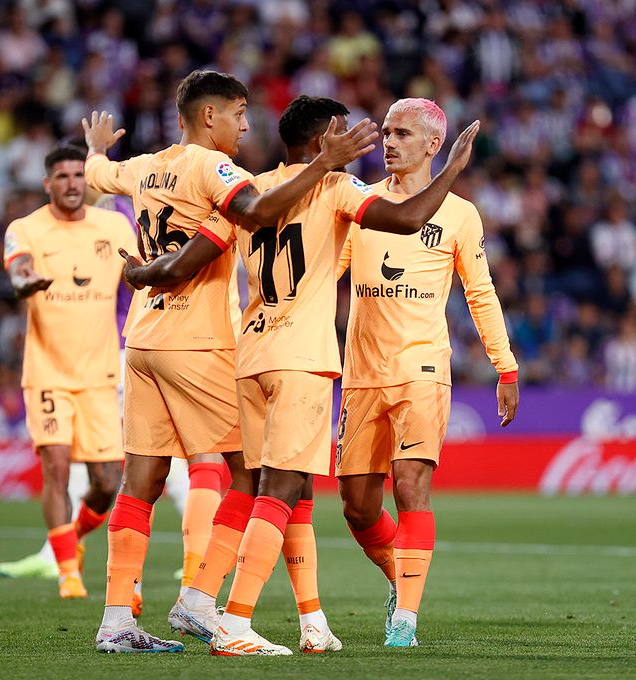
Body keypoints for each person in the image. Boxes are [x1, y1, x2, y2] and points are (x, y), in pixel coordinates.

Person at [114, 95, 481, 656]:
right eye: (344, 133)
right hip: (300, 358)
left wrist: (139, 273)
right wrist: (453, 167)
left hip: (249, 353)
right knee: (283, 490)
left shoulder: (248, 190)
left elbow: (187, 260)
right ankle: (234, 621)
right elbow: (407, 219)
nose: (361, 144)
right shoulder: (333, 187)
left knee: (262, 484)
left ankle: (240, 604)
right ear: (323, 140)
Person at [81, 69, 377, 654]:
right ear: (209, 115)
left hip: (140, 339)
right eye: (239, 113)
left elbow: (101, 173)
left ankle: (116, 620)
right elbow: (258, 212)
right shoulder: (213, 168)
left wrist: (93, 151)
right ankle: (201, 604)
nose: (246, 125)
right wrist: (323, 164)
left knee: (141, 479)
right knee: (253, 474)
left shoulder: (143, 167)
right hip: (198, 342)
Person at [336, 98, 520, 647]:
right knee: (357, 504)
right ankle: (402, 575)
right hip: (361, 372)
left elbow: (480, 293)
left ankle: (405, 621)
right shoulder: (359, 203)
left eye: (401, 133)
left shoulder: (460, 214)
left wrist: (504, 367)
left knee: (411, 484)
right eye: (386, 132)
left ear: (432, 145)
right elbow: (325, 274)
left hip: (421, 366)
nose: (388, 142)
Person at [2, 144, 135, 601]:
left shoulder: (115, 226)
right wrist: (26, 282)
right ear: (47, 184)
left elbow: (140, 273)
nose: (73, 183)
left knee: (104, 484)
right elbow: (18, 270)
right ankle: (67, 574)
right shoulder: (27, 228)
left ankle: (72, 540)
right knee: (56, 467)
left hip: (101, 375)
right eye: (62, 176)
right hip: (48, 373)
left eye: (79, 175)